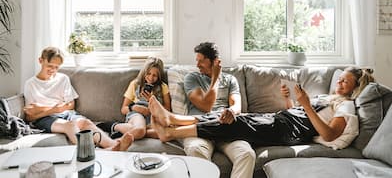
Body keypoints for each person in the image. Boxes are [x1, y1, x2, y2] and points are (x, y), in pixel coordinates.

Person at [149, 67, 375, 150]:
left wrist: (305, 104)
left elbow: (329, 133)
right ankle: (173, 120)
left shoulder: (346, 106)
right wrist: (290, 102)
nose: (339, 83)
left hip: (287, 131)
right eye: (340, 79)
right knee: (227, 115)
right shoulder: (330, 97)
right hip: (283, 119)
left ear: (356, 87)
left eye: (345, 81)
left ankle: (171, 130)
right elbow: (304, 114)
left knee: (232, 123)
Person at [167, 42, 256, 178]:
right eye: (197, 60)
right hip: (200, 128)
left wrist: (231, 111)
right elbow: (205, 106)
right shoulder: (192, 78)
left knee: (247, 154)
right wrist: (215, 79)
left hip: (225, 127)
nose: (197, 65)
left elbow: (236, 105)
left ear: (214, 61)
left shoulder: (230, 79)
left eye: (201, 61)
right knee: (195, 149)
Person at [23, 46, 133, 151]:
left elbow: (70, 105)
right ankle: (92, 152)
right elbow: (29, 117)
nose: (53, 70)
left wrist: (42, 108)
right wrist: (54, 109)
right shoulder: (31, 84)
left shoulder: (63, 78)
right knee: (70, 126)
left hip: (66, 113)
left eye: (56, 67)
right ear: (40, 60)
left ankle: (114, 146)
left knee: (86, 123)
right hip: (44, 119)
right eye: (50, 66)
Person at [98, 57, 171, 140]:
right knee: (140, 130)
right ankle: (114, 135)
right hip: (136, 114)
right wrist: (134, 107)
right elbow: (123, 109)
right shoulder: (135, 84)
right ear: (144, 72)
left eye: (155, 75)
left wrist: (152, 102)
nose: (151, 77)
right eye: (148, 73)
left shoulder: (163, 87)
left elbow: (167, 109)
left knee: (165, 133)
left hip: (153, 116)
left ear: (159, 76)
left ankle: (124, 130)